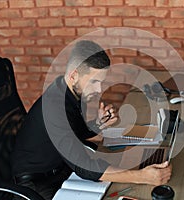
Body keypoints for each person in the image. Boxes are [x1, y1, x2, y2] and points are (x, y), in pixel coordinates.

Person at [11, 40, 172, 200]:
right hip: (37, 184)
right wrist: (142, 177)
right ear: (74, 75)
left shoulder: (68, 91)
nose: (99, 90)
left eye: (101, 82)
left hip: (60, 168)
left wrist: (98, 124)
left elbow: (75, 132)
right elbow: (84, 167)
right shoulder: (54, 108)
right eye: (94, 82)